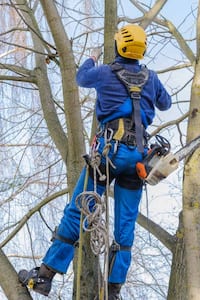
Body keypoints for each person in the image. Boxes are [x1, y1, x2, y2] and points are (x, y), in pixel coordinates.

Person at [18, 24, 172, 299]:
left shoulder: (104, 72)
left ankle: (44, 277)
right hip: (138, 158)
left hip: (109, 154)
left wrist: (91, 57)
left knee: (79, 210)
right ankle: (113, 291)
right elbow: (166, 104)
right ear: (141, 50)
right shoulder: (152, 78)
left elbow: (81, 77)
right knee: (125, 224)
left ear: (118, 46)